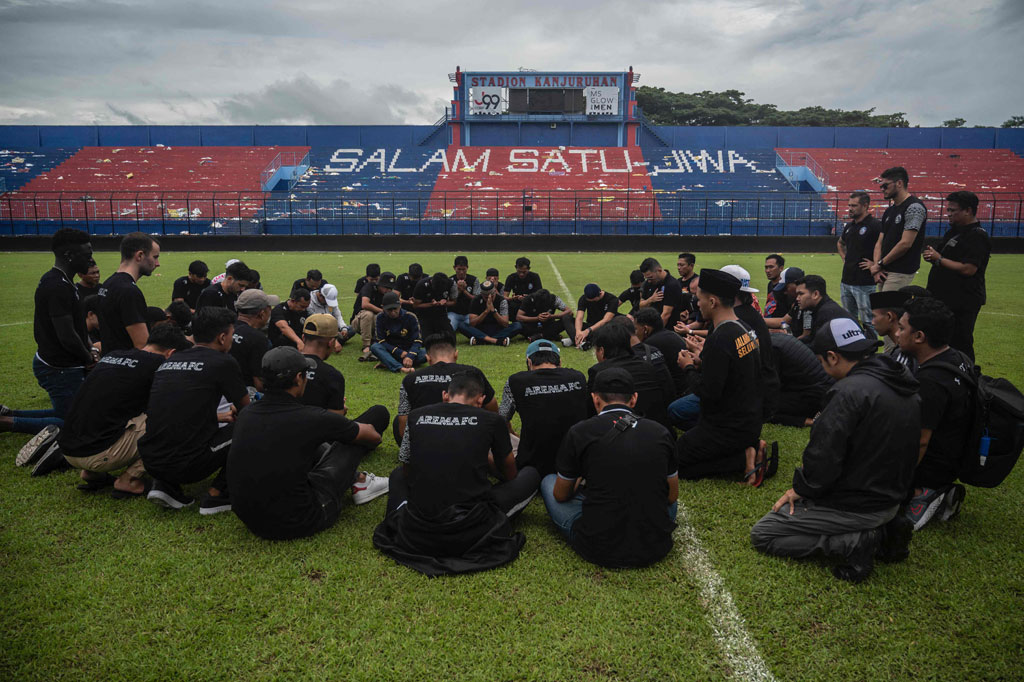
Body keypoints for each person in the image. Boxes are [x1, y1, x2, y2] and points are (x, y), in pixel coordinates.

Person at [750, 317, 919, 583]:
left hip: (862, 506)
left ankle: (857, 541)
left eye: (820, 361)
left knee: (764, 533)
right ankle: (885, 528)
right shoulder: (901, 380)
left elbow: (823, 460)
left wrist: (801, 489)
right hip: (892, 500)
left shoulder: (847, 392)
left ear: (832, 356)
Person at [373, 371, 541, 576]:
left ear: (445, 395)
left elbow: (408, 469)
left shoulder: (416, 416)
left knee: (398, 475)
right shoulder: (491, 421)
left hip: (419, 524)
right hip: (472, 525)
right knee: (531, 474)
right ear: (480, 399)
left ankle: (406, 511)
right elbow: (510, 474)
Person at [228, 347, 391, 541]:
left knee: (310, 442)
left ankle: (357, 477)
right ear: (299, 378)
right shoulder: (312, 418)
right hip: (302, 519)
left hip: (251, 520)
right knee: (371, 420)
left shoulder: (247, 413)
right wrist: (340, 426)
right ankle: (360, 481)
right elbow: (373, 437)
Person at [541, 368, 678, 568]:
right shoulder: (661, 432)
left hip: (597, 545)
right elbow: (672, 497)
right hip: (656, 544)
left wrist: (580, 478)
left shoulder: (579, 432)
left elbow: (561, 495)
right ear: (634, 399)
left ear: (595, 399)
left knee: (548, 481)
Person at [40, 325, 192, 490]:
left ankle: (91, 473)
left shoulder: (113, 355)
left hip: (68, 449)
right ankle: (129, 480)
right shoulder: (159, 365)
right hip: (97, 455)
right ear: (171, 353)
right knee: (173, 421)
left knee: (109, 412)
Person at [139, 307, 250, 513]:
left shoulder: (172, 359)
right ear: (223, 337)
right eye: (232, 336)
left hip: (150, 459)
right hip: (188, 464)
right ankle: (217, 495)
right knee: (251, 427)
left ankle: (165, 485)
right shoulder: (223, 361)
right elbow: (247, 409)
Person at [2, 229, 95, 457]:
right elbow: (66, 335)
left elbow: (76, 329)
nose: (91, 260)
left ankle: (9, 414)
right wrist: (88, 358)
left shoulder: (61, 281)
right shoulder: (57, 286)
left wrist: (89, 349)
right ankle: (6, 422)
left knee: (67, 414)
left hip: (62, 364)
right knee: (74, 424)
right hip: (59, 368)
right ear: (69, 255)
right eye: (87, 254)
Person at [675, 269, 767, 485]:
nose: (698, 305)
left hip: (727, 428)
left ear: (713, 301)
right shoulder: (744, 327)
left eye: (700, 300)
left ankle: (741, 459)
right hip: (749, 421)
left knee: (673, 461)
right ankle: (746, 450)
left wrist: (688, 366)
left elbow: (708, 393)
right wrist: (702, 363)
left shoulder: (721, 336)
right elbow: (735, 372)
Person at [896, 297, 973, 530]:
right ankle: (940, 489)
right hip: (955, 452)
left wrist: (899, 482)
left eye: (901, 328)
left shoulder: (931, 382)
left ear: (919, 337)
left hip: (936, 462)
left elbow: (920, 441)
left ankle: (922, 493)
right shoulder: (957, 357)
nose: (897, 334)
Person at [501, 339, 591, 476]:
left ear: (529, 362)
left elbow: (502, 419)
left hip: (532, 462)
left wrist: (511, 432)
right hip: (575, 460)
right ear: (559, 362)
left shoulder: (515, 381)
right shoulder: (578, 377)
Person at [923, 190, 991, 361]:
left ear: (968, 210)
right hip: (944, 297)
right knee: (941, 341)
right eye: (948, 210)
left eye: (953, 210)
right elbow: (944, 258)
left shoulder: (977, 236)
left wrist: (939, 259)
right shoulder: (954, 231)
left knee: (961, 342)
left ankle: (968, 376)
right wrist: (934, 257)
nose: (949, 214)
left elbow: (969, 269)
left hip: (962, 301)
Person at [395, 332, 497, 442]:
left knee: (398, 419)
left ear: (428, 358)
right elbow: (492, 406)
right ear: (456, 354)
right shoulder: (473, 373)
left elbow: (403, 423)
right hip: (468, 437)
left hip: (426, 441)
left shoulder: (410, 379)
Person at [588, 323, 674, 430]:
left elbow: (592, 410)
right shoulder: (647, 366)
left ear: (601, 350)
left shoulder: (599, 371)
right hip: (658, 426)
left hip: (621, 431)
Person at [869, 166, 928, 299]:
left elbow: (905, 243)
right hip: (883, 270)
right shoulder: (889, 211)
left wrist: (879, 264)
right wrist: (877, 266)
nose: (882, 189)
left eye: (885, 185)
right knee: (882, 312)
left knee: (888, 312)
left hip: (900, 271)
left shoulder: (914, 207)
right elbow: (880, 241)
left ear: (899, 183)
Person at [97, 232, 159, 353]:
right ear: (140, 255)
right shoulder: (129, 291)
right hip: (126, 368)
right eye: (155, 257)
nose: (157, 264)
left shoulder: (108, 284)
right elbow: (142, 346)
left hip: (110, 361)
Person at [837, 191, 883, 339]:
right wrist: (845, 258)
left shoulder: (875, 225)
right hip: (846, 280)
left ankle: (872, 350)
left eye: (854, 205)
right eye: (849, 205)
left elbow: (884, 245)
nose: (850, 208)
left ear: (865, 206)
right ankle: (854, 346)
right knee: (849, 319)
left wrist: (876, 264)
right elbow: (840, 243)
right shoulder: (849, 226)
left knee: (868, 320)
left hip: (864, 282)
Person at [768, 332, 833, 427]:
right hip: (819, 389)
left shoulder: (772, 348)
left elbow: (770, 385)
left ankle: (807, 421)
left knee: (765, 407)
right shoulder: (776, 338)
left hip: (814, 396)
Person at [230, 289, 279, 391]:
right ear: (261, 314)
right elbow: (259, 383)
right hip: (243, 395)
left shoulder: (225, 329)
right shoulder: (258, 339)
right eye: (269, 308)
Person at [634, 308, 687, 397]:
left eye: (635, 329)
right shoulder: (671, 334)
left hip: (678, 392)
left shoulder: (650, 345)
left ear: (645, 329)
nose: (635, 333)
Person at [300, 314, 348, 413]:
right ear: (331, 343)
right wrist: (342, 409)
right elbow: (334, 421)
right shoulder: (332, 375)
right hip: (317, 426)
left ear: (303, 338)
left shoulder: (284, 364)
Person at [793, 275, 856, 346]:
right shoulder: (823, 308)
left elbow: (818, 346)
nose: (797, 298)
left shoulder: (826, 313)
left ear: (815, 294)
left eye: (801, 294)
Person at [372, 292, 426, 373]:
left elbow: (417, 340)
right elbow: (381, 340)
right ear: (383, 308)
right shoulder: (380, 318)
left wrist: (410, 356)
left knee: (426, 353)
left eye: (395, 309)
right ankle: (401, 368)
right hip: (391, 351)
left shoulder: (411, 317)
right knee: (375, 347)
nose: (393, 312)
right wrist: (398, 352)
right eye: (389, 310)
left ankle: (388, 362)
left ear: (400, 305)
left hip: (408, 350)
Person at [869, 289, 922, 372]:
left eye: (874, 316)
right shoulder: (911, 346)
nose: (872, 322)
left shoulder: (902, 356)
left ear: (889, 317)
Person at [461, 279, 522, 346]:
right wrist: (486, 311)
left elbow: (505, 324)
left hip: (498, 328)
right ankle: (495, 340)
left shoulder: (502, 301)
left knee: (517, 325)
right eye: (486, 297)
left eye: (491, 296)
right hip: (481, 328)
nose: (489, 299)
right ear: (481, 294)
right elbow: (472, 323)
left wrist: (493, 311)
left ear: (495, 292)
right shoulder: (476, 300)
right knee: (462, 325)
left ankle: (480, 340)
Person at [352, 270, 395, 361]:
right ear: (380, 284)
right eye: (386, 287)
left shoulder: (389, 294)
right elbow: (365, 304)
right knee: (368, 314)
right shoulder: (369, 286)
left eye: (390, 288)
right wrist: (383, 311)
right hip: (358, 322)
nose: (388, 290)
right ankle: (366, 345)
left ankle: (378, 342)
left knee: (380, 317)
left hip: (375, 321)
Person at [638, 257, 685, 329]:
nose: (649, 281)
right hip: (649, 327)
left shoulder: (672, 285)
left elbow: (666, 315)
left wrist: (654, 333)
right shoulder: (648, 283)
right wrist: (650, 300)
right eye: (647, 278)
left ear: (659, 270)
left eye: (651, 277)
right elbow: (641, 306)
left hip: (666, 330)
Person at [573, 283, 620, 350]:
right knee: (567, 318)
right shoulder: (584, 298)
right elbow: (579, 317)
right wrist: (578, 332)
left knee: (615, 329)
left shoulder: (612, 299)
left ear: (600, 294)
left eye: (594, 300)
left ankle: (581, 340)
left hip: (603, 327)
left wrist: (587, 330)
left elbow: (606, 319)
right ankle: (580, 339)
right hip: (590, 325)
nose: (592, 302)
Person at [412, 271, 454, 338]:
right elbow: (415, 305)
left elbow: (454, 302)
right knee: (425, 339)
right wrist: (431, 304)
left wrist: (445, 303)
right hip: (425, 315)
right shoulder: (421, 285)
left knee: (451, 338)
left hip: (441, 314)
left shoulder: (451, 283)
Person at [448, 255, 480, 334]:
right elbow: (449, 301)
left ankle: (461, 326)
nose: (461, 272)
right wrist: (458, 290)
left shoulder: (474, 280)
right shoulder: (450, 281)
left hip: (469, 314)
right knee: (449, 330)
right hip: (454, 313)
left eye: (463, 269)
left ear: (467, 268)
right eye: (459, 269)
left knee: (475, 329)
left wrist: (464, 290)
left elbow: (476, 299)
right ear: (454, 268)